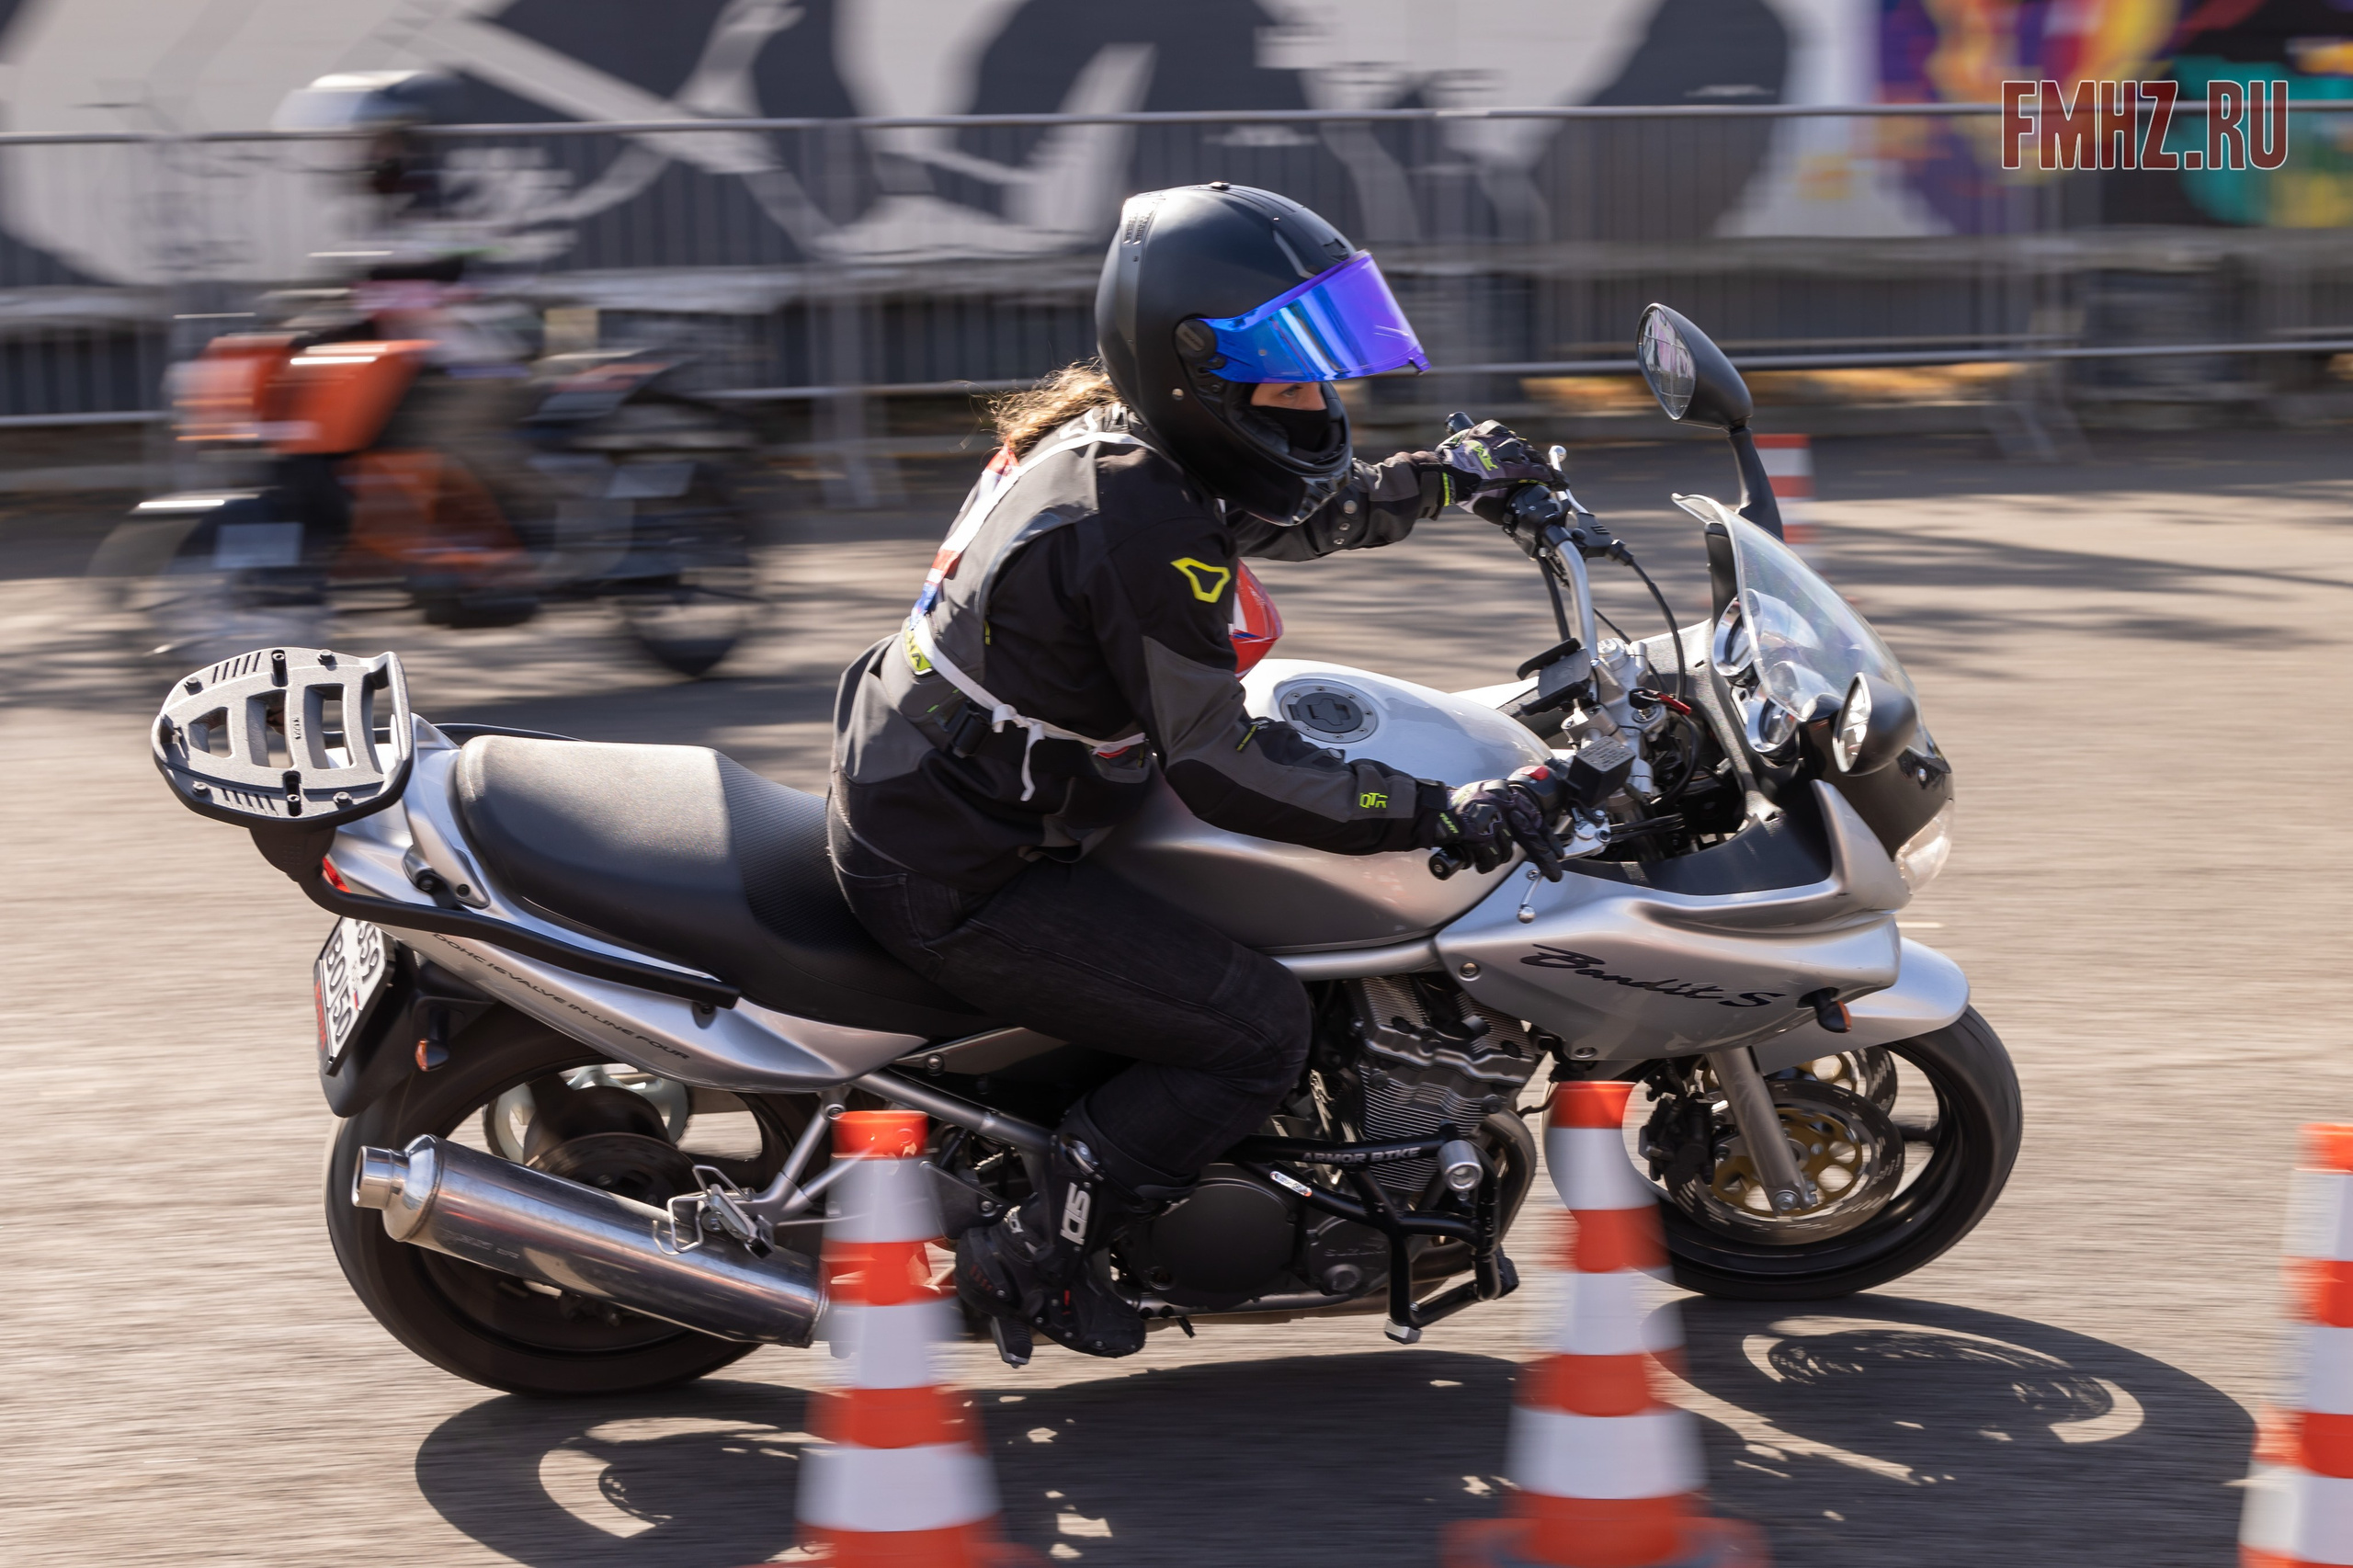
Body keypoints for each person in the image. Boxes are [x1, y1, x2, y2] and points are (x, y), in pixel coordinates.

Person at [829, 183, 1567, 1358]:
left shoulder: (1131, 444)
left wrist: (1442, 478)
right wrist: (1446, 808)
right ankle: (1041, 1254)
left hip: (952, 788)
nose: (1318, 398)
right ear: (1197, 370)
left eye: (1323, 365)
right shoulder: (1136, 516)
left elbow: (1293, 506)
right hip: (961, 860)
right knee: (1256, 1028)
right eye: (1289, 369)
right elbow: (1226, 768)